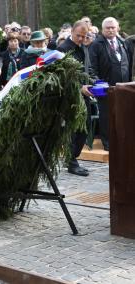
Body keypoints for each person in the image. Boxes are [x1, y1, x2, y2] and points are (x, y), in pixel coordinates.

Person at [89, 17, 133, 151]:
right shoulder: (96, 44)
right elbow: (92, 68)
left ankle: (122, 140)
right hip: (106, 88)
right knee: (107, 116)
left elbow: (128, 63)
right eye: (107, 28)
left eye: (113, 27)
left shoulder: (122, 42)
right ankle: (108, 142)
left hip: (124, 88)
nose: (110, 30)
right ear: (102, 29)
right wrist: (99, 84)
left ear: (118, 28)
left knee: (123, 115)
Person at [57, 20, 93, 176]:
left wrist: (94, 81)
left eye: (84, 36)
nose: (81, 39)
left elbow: (87, 69)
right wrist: (79, 88)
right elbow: (61, 76)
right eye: (78, 36)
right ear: (72, 32)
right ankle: (71, 162)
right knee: (74, 130)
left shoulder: (83, 47)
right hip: (70, 97)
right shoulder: (63, 49)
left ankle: (73, 158)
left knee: (85, 128)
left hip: (84, 95)